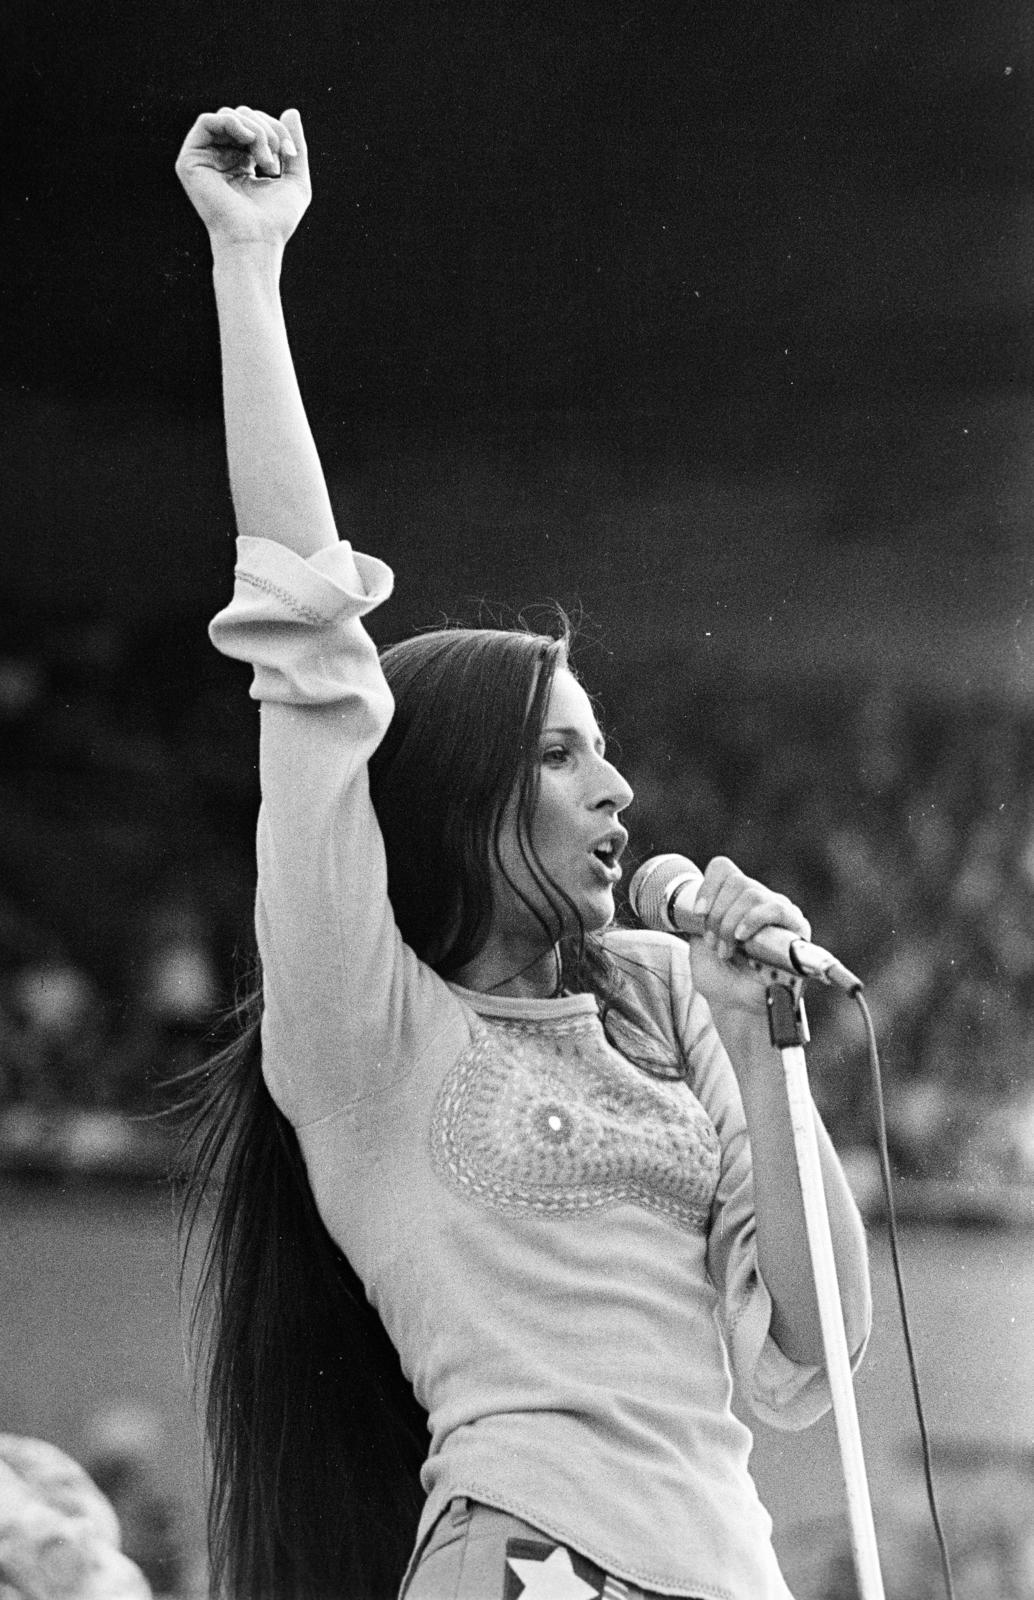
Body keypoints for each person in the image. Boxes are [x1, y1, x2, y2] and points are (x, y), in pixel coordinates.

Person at [174, 104, 872, 1600]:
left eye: (604, 747)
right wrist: (250, 263)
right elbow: (308, 646)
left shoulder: (661, 993)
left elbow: (820, 1344)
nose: (616, 789)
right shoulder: (365, 1032)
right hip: (525, 1563)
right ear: (451, 793)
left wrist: (760, 1045)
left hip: (729, 1570)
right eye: (557, 753)